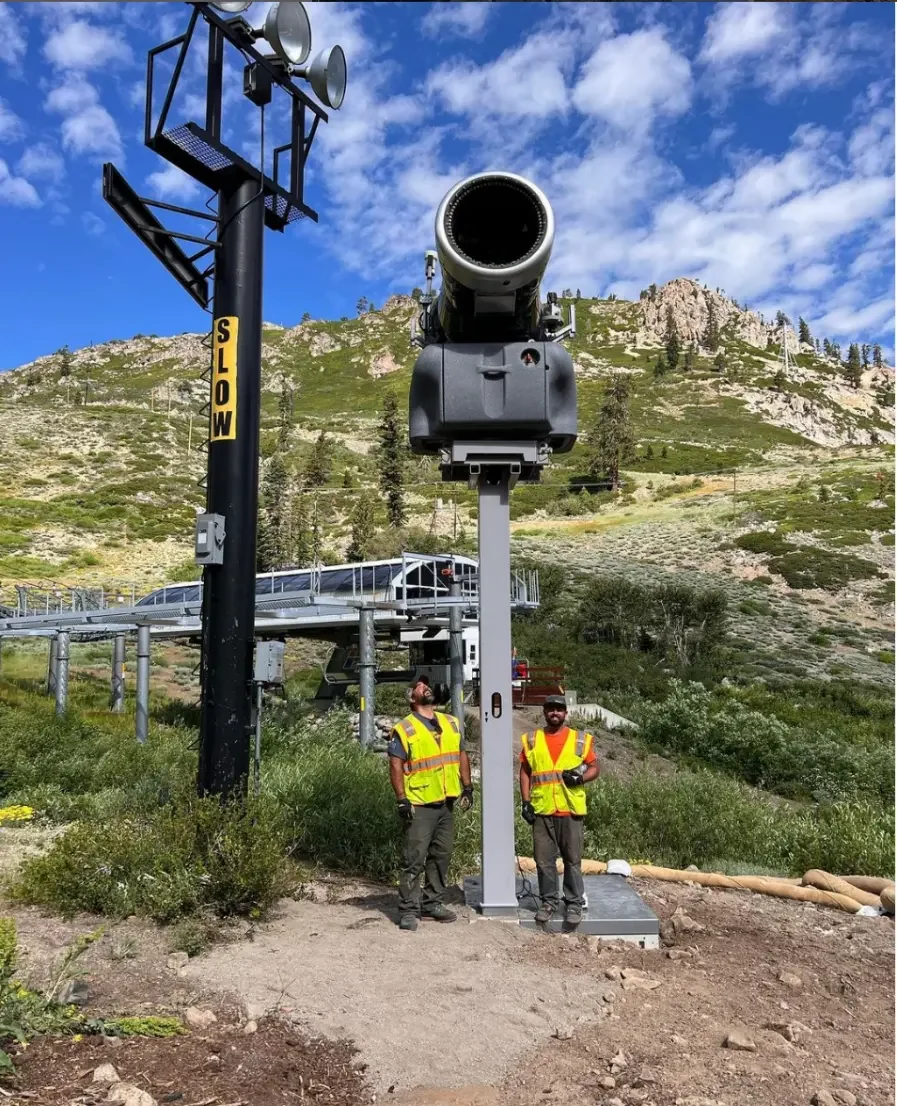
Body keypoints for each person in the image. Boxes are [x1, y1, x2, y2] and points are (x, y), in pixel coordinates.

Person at [388, 680, 474, 931]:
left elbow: (461, 755)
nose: (425, 686)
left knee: (441, 855)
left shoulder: (451, 722)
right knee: (413, 858)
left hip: (446, 802)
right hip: (420, 803)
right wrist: (401, 798)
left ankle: (431, 903)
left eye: (426, 684)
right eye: (419, 685)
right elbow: (395, 765)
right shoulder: (404, 728)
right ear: (412, 698)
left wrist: (467, 787)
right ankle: (408, 910)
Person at [519, 695, 599, 928]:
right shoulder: (532, 739)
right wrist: (525, 802)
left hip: (570, 809)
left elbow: (594, 767)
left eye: (559, 709)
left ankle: (573, 903)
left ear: (565, 713)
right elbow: (525, 771)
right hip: (542, 809)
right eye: (550, 709)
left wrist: (580, 778)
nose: (555, 713)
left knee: (572, 860)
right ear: (544, 712)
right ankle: (548, 902)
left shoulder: (579, 740)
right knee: (544, 860)